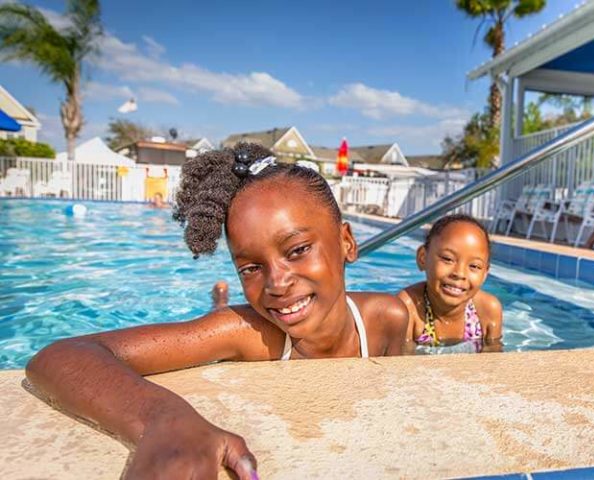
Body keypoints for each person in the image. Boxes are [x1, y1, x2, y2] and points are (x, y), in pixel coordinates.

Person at [24, 143, 409, 480]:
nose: (276, 282)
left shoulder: (389, 318)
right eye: (251, 268)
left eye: (297, 251)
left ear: (347, 242)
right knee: (223, 312)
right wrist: (164, 418)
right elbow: (60, 356)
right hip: (234, 323)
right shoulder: (246, 332)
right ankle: (220, 300)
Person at [397, 214, 503, 353]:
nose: (459, 273)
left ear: (485, 274)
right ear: (423, 258)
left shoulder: (488, 309)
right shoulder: (408, 309)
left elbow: (494, 363)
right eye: (447, 259)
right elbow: (400, 366)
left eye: (474, 266)